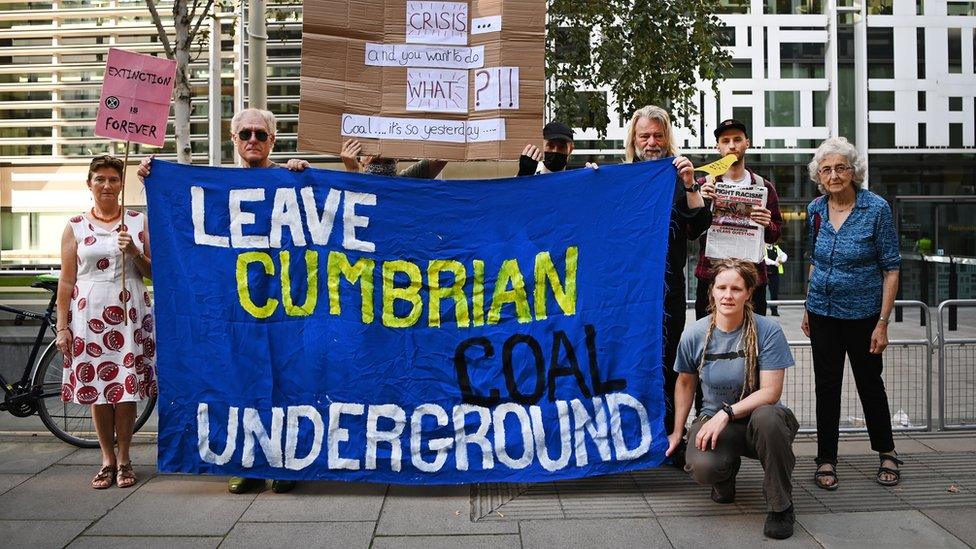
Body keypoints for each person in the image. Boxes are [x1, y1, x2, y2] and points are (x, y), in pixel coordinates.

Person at [137, 107, 309, 494]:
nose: (253, 140)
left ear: (272, 141)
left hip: (287, 308)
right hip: (233, 310)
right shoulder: (217, 187)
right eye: (245, 133)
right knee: (238, 381)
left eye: (260, 135)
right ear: (234, 140)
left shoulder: (293, 179)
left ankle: (286, 465)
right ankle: (245, 463)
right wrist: (156, 176)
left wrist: (304, 174)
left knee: (289, 383)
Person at [667, 259, 798, 540]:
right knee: (702, 466)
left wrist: (726, 413)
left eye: (736, 289)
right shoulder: (695, 333)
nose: (728, 295)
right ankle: (724, 477)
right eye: (722, 287)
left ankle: (780, 506)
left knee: (768, 416)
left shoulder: (768, 331)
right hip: (716, 420)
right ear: (711, 291)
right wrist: (678, 432)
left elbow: (771, 393)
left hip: (761, 422)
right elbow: (686, 382)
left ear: (749, 293)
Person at [801, 137, 902, 490]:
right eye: (826, 169)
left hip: (863, 315)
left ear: (853, 171)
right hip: (823, 312)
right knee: (826, 387)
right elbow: (813, 261)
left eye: (841, 167)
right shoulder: (815, 210)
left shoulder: (875, 209)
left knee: (869, 384)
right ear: (819, 175)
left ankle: (886, 451)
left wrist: (883, 322)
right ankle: (826, 458)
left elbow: (891, 268)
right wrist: (807, 307)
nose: (834, 175)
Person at [56, 155, 156, 490]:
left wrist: (135, 254)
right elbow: (67, 281)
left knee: (125, 388)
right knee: (98, 390)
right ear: (89, 184)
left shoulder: (137, 223)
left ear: (120, 183)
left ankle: (125, 457)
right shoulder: (75, 226)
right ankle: (106, 459)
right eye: (100, 179)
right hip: (88, 317)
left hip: (129, 316)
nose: (107, 185)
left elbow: (154, 273)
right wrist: (62, 326)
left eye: (113, 179)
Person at [623, 105, 711, 466]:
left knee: (672, 362)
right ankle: (632, 436)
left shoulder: (679, 176)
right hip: (628, 293)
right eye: (644, 136)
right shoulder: (620, 178)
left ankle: (671, 438)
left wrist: (690, 183)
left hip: (670, 290)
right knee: (631, 358)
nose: (652, 142)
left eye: (658, 135)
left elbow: (700, 222)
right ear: (634, 140)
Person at [694, 119, 783, 319]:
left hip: (751, 281)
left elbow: (775, 235)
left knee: (752, 340)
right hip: (711, 278)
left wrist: (768, 223)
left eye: (737, 139)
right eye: (725, 141)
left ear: (747, 143)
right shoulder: (702, 185)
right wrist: (701, 204)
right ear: (717, 147)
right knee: (708, 341)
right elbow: (691, 232)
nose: (732, 145)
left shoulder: (764, 187)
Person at [338, 138, 447, 178]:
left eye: (388, 161)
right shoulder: (353, 178)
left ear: (397, 158)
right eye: (375, 161)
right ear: (360, 160)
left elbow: (443, 154)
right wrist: (352, 173)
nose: (380, 154)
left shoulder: (408, 180)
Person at [764, 243, 787, 316]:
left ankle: (774, 310)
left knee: (774, 293)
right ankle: (761, 310)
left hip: (774, 274)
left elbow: (784, 255)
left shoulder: (776, 248)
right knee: (761, 293)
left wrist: (781, 261)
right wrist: (774, 263)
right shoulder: (762, 247)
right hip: (765, 274)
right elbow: (765, 259)